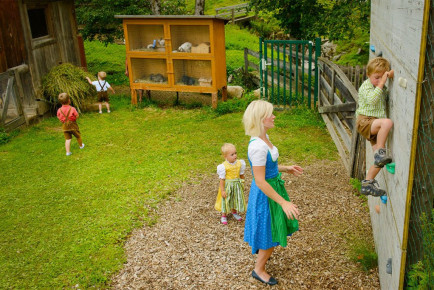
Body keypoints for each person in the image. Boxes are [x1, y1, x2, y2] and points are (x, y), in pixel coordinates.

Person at [242, 100, 303, 286]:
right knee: (268, 232)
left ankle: (260, 265)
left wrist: (285, 168)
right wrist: (283, 203)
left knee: (272, 229)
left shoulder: (264, 138)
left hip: (273, 188)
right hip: (265, 195)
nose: (274, 116)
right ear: (260, 118)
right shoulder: (257, 146)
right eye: (270, 114)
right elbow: (259, 180)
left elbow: (268, 167)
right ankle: (258, 270)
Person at [356, 57, 394, 196]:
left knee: (380, 163)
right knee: (387, 122)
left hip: (374, 124)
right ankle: (380, 152)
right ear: (368, 75)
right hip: (365, 121)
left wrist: (389, 75)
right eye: (376, 77)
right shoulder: (366, 86)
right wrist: (383, 81)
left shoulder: (379, 86)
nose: (379, 81)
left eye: (381, 77)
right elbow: (372, 100)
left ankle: (367, 183)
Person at [215, 143, 247, 225]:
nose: (235, 156)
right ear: (226, 156)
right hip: (228, 186)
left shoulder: (240, 163)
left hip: (236, 185)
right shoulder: (223, 166)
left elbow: (241, 175)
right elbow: (222, 180)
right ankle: (224, 215)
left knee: (235, 198)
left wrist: (242, 183)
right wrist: (222, 190)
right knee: (226, 200)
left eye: (235, 153)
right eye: (232, 154)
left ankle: (234, 212)